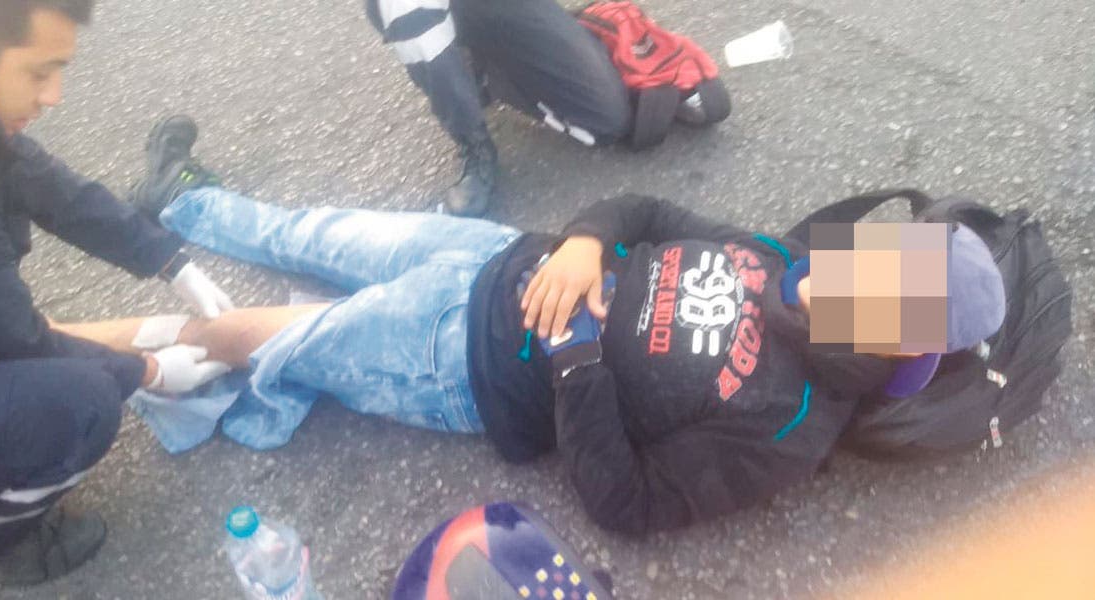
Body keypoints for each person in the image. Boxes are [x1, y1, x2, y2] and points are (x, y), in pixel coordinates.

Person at [120, 117, 1008, 536]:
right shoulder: (783, 259)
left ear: (903, 343)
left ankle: (80, 364)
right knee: (312, 233)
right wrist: (586, 242)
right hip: (495, 254)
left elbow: (630, 503)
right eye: (885, 257)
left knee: (251, 335)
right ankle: (182, 203)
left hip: (459, 361)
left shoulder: (791, 427)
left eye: (891, 293)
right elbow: (650, 212)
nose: (858, 273)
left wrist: (576, 358)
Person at [0, 1, 235, 584]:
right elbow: (13, 342)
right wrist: (147, 371)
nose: (54, 96)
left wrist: (169, 260)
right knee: (81, 402)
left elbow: (50, 187)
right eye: (38, 73)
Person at [364, 0, 723, 217]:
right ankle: (475, 141)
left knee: (607, 119)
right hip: (416, 12)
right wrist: (465, 121)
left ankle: (488, 63)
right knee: (419, 34)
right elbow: (425, 46)